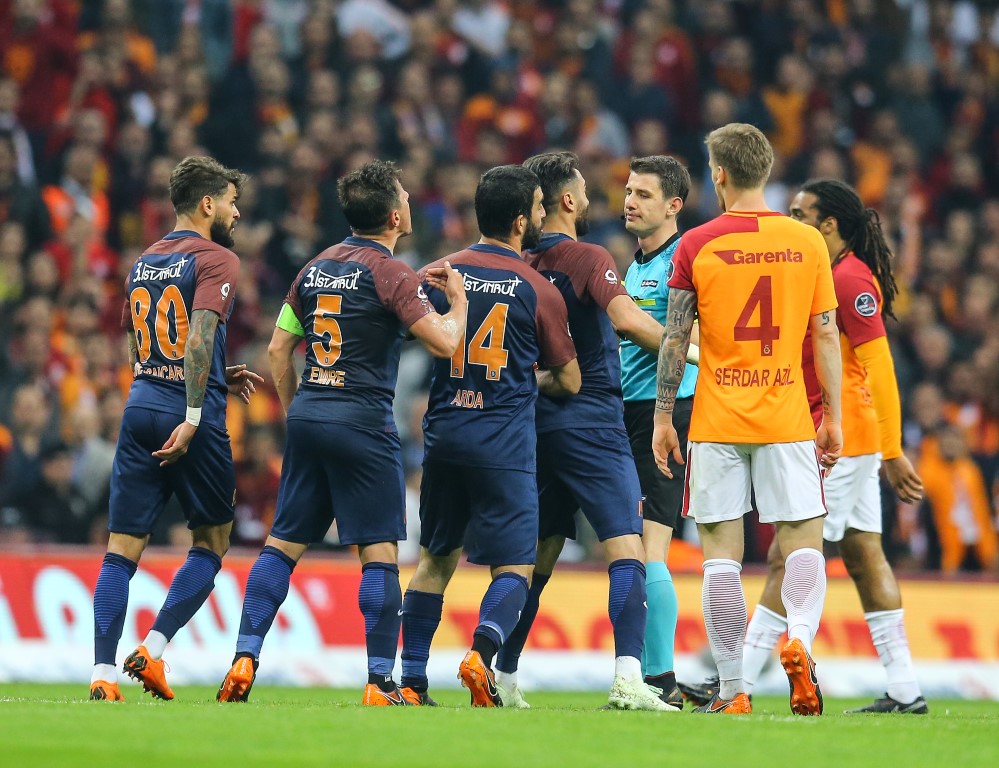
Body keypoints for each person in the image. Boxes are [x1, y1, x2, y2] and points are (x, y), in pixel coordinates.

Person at [216, 160, 468, 705]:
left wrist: (298, 411)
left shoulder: (313, 269)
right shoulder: (392, 273)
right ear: (395, 215)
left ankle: (244, 655)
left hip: (311, 414)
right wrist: (460, 302)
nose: (408, 201)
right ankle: (380, 681)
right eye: (404, 196)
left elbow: (279, 349)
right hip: (363, 422)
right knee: (379, 554)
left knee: (282, 546)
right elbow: (446, 342)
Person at [683, 179, 929, 714]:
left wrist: (892, 449)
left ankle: (740, 677)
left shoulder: (845, 278)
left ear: (829, 225)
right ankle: (906, 689)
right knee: (864, 555)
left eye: (800, 213)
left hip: (844, 438)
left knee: (785, 555)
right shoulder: (823, 268)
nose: (791, 221)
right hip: (849, 436)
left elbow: (879, 366)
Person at [652, 123, 843, 716]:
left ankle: (734, 689)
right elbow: (826, 335)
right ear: (766, 170)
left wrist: (664, 416)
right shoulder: (807, 242)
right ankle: (799, 640)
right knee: (802, 541)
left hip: (717, 420)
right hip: (786, 417)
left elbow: (675, 337)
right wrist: (833, 416)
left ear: (719, 174)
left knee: (721, 558)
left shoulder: (696, 244)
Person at [490, 152, 677, 711]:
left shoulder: (520, 262)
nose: (594, 199)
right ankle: (629, 677)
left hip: (533, 423)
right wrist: (694, 351)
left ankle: (504, 675)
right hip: (592, 420)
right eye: (584, 190)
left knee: (540, 556)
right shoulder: (588, 256)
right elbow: (626, 320)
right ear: (568, 200)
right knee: (627, 546)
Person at [399, 165, 580, 707]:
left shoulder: (439, 272)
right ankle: (480, 655)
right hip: (503, 445)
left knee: (435, 559)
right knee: (516, 565)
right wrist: (524, 377)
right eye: (541, 206)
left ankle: (411, 682)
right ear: (522, 221)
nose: (545, 214)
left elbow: (408, 333)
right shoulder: (539, 289)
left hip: (445, 436)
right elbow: (569, 380)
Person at [90, 156, 262, 702]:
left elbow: (139, 345)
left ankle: (102, 675)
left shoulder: (144, 261)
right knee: (213, 539)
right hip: (190, 415)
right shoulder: (217, 259)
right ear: (208, 204)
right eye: (231, 202)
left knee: (121, 548)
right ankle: (154, 648)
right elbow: (197, 336)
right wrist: (191, 414)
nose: (236, 212)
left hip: (140, 403)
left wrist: (213, 374)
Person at [619, 156, 699, 704]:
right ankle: (647, 673)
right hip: (626, 412)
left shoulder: (684, 261)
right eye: (629, 191)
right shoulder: (637, 264)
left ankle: (661, 678)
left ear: (674, 205)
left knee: (654, 544)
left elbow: (699, 339)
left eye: (643, 194)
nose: (630, 201)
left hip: (666, 414)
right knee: (632, 543)